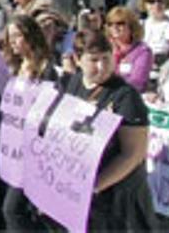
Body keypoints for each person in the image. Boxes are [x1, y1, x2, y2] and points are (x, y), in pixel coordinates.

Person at [61, 29, 159, 231]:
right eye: (94, 60)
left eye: (107, 58)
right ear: (78, 59)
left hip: (117, 196)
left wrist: (95, 186)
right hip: (80, 193)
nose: (102, 66)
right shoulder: (73, 83)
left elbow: (132, 154)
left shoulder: (125, 96)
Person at [1, 15, 59, 231]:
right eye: (10, 37)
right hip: (14, 149)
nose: (13, 42)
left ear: (30, 35)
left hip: (37, 150)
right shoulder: (15, 67)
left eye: (17, 36)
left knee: (12, 209)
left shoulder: (47, 68)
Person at [105, 6, 154, 93]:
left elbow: (137, 82)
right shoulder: (105, 48)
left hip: (131, 96)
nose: (114, 27)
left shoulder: (143, 51)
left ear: (131, 26)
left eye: (120, 23)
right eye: (110, 24)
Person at [139, 0, 169, 66]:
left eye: (160, 1)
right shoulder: (139, 24)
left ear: (166, 3)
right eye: (151, 1)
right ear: (144, 4)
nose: (156, 4)